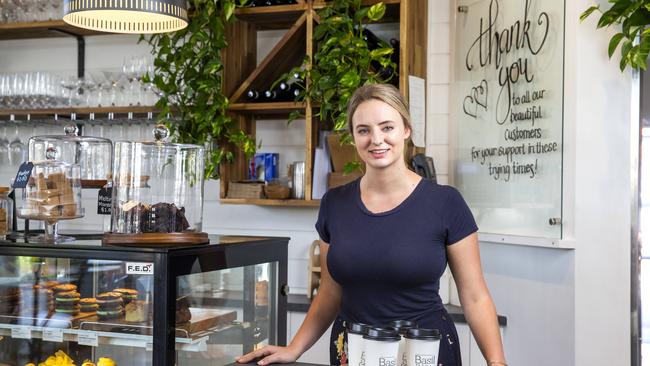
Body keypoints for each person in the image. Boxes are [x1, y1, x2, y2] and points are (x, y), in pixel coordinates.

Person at [236, 83, 506, 366]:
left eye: (387, 127)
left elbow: (474, 297)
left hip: (422, 349)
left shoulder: (445, 203)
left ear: (406, 130)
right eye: (364, 130)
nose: (376, 139)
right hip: (353, 350)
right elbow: (330, 291)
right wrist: (294, 348)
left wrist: (496, 362)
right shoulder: (335, 203)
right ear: (353, 137)